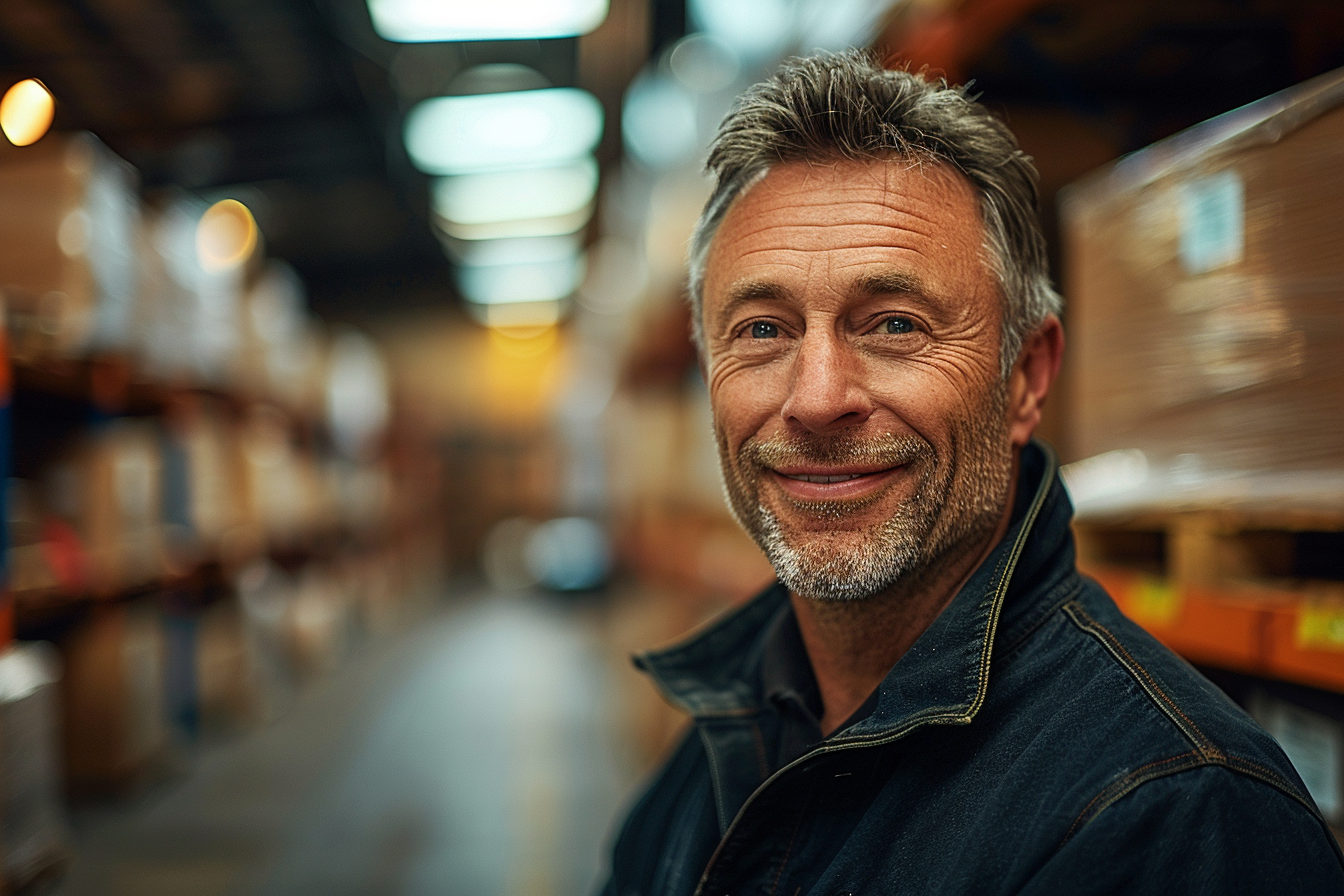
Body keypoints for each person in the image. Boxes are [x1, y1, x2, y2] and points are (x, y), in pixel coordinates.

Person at [601, 52, 1344, 895]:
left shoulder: (1174, 819)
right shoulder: (713, 744)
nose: (814, 400)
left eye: (892, 323)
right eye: (763, 331)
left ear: (1026, 376)